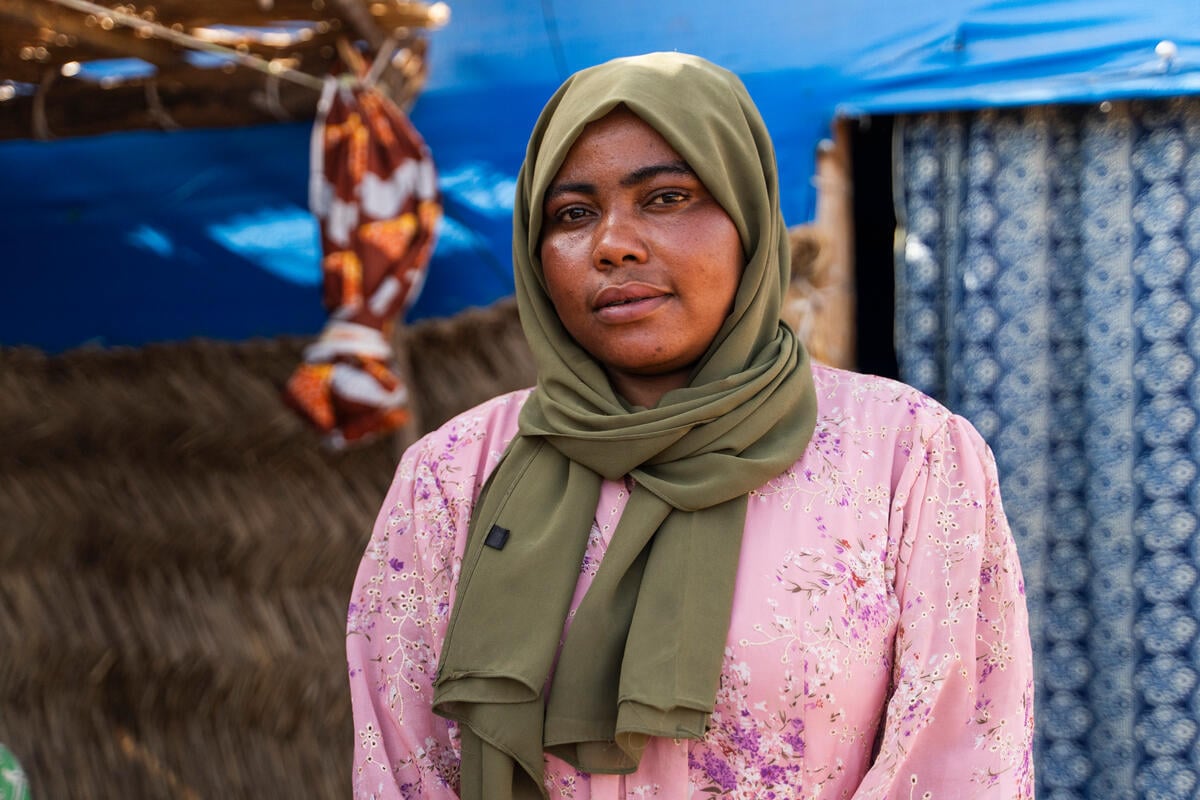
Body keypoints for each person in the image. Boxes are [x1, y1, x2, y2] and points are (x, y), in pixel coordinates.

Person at [346, 52, 1035, 799]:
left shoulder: (907, 455)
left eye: (667, 197)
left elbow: (958, 760)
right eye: (573, 214)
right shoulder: (452, 476)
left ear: (747, 217)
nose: (613, 243)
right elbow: (403, 766)